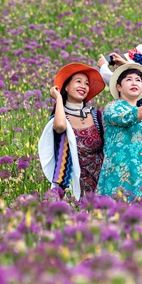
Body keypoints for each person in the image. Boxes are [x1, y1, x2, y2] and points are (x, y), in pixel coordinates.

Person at [98, 63, 142, 198]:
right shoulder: (113, 107)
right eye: (129, 79)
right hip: (122, 175)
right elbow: (128, 118)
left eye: (138, 80)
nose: (134, 82)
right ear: (118, 87)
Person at [37, 63, 107, 200]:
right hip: (73, 184)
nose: (83, 86)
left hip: (100, 183)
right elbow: (60, 126)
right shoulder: (61, 118)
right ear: (67, 87)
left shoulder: (96, 115)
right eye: (78, 82)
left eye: (86, 84)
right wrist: (58, 98)